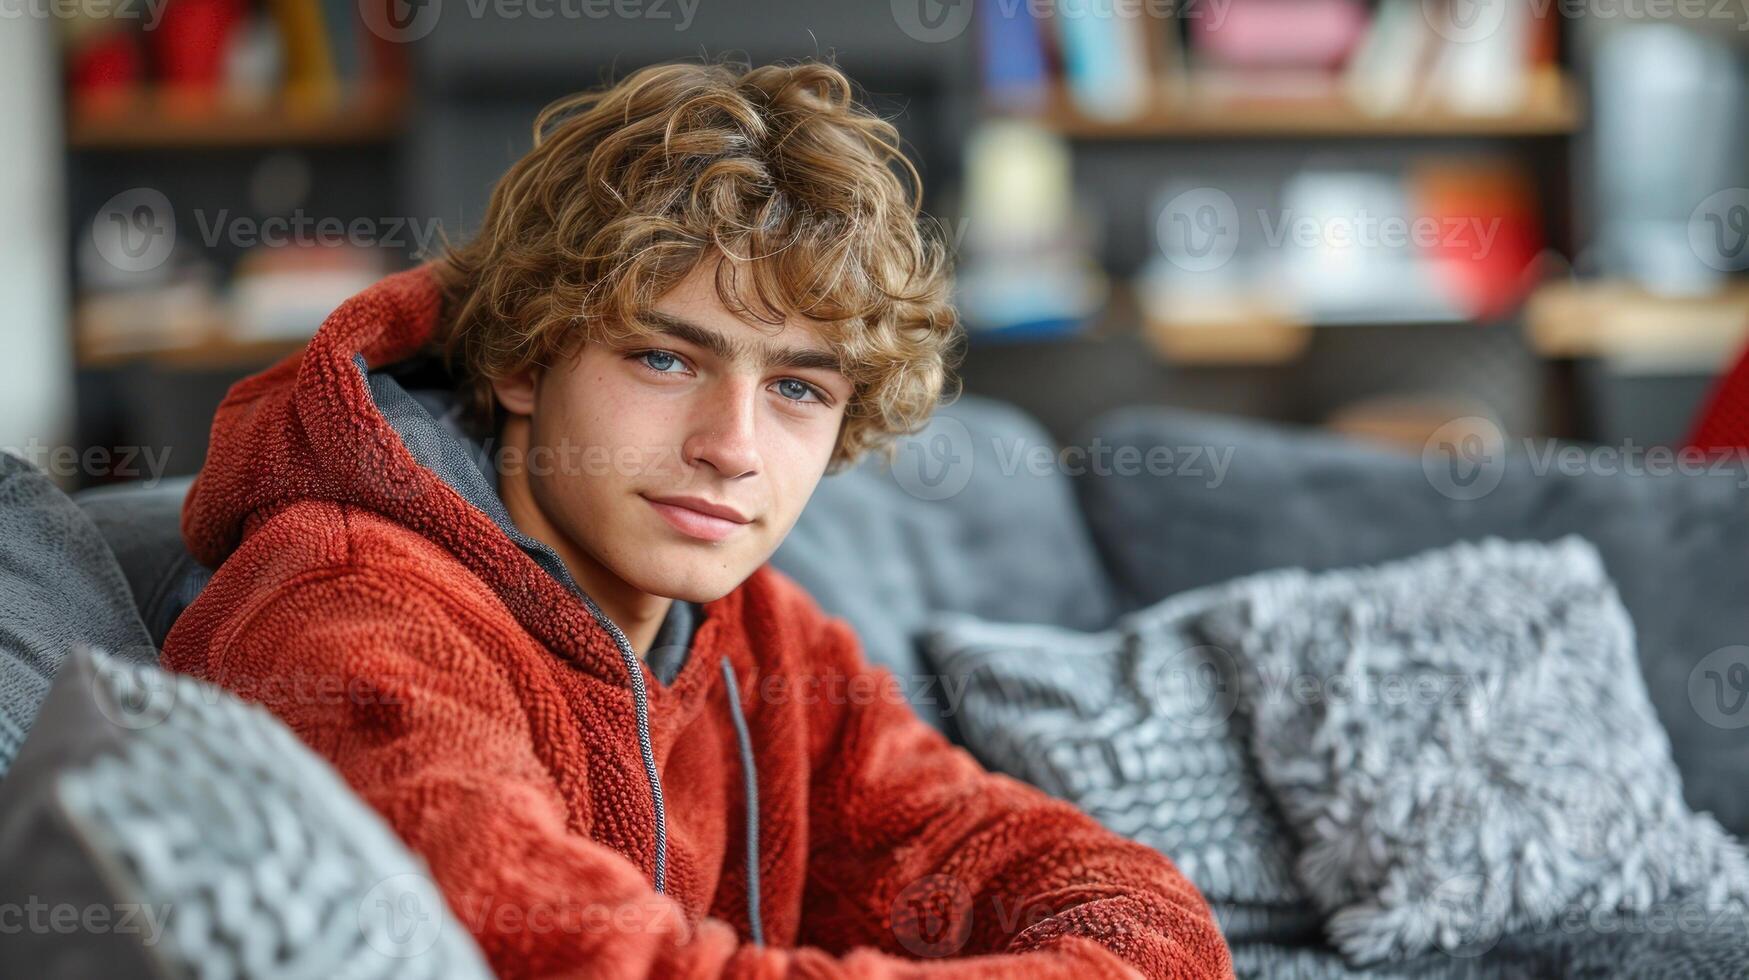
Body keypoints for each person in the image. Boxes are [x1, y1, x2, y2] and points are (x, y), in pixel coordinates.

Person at [161, 59, 1232, 979]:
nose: (734, 445)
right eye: (665, 357)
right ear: (526, 356)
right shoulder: (352, 612)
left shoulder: (763, 633)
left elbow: (1131, 905)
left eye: (799, 389)